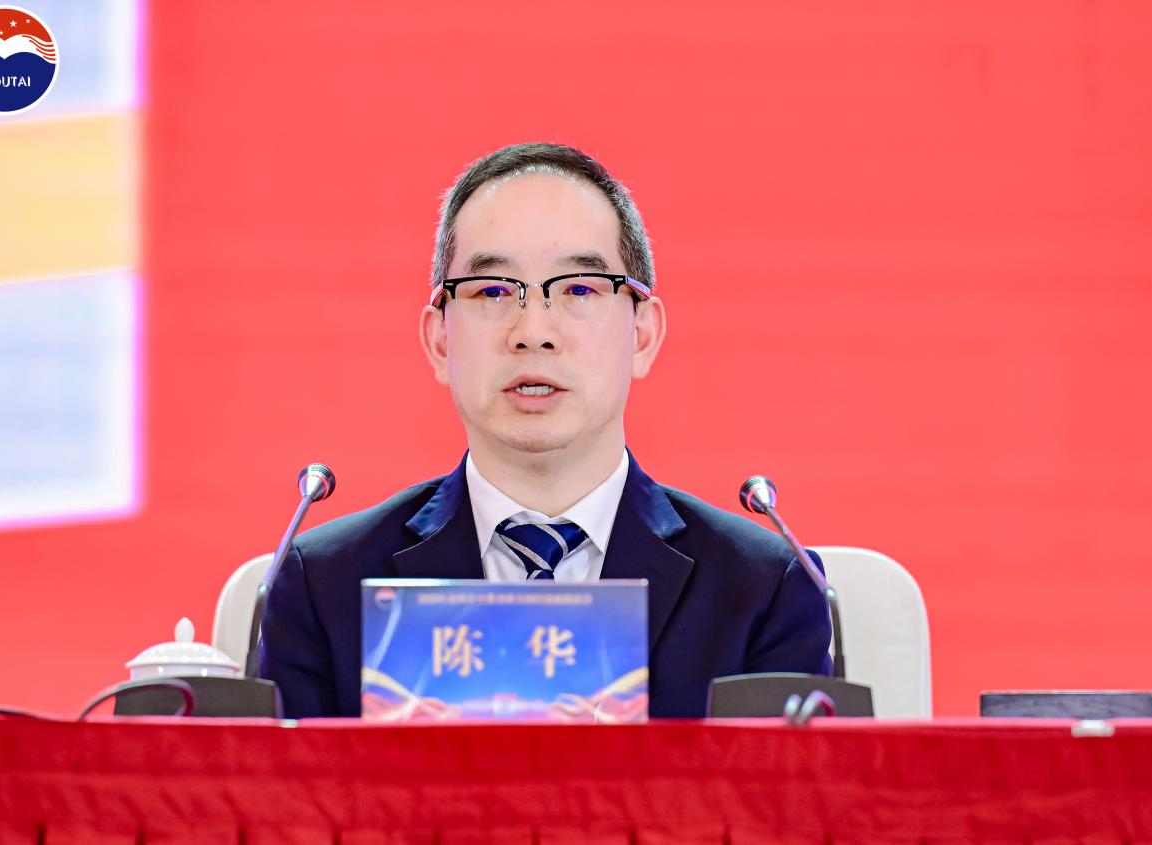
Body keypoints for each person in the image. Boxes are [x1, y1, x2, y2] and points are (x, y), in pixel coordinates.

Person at [258, 143, 832, 718]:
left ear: (642, 334)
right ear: (439, 340)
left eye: (579, 288)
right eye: (492, 291)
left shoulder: (763, 590)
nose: (533, 332)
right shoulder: (322, 586)